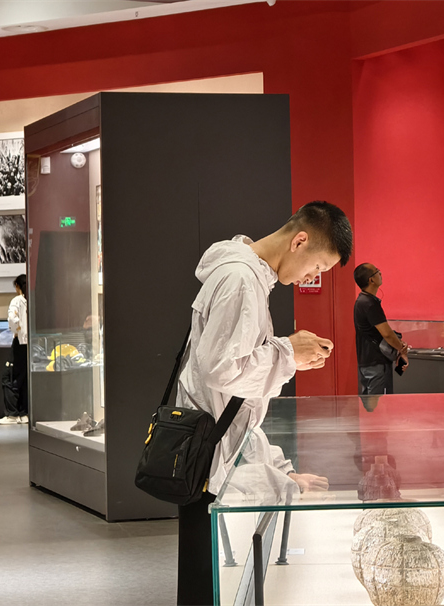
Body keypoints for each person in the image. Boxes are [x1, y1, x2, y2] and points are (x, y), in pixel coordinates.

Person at [174, 201, 352, 606]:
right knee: (204, 582)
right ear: (300, 241)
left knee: (204, 576)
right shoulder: (241, 280)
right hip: (206, 457)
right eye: (318, 267)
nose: (312, 276)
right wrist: (288, 352)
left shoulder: (248, 277)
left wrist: (280, 472)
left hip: (210, 451)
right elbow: (222, 371)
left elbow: (235, 399)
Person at [352, 263, 409, 396]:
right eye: (377, 271)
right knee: (379, 404)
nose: (381, 273)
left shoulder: (361, 301)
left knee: (369, 402)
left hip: (365, 361)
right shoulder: (370, 304)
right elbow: (387, 334)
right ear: (371, 280)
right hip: (376, 362)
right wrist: (401, 349)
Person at [0, 274, 29, 425]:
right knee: (24, 377)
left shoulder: (17, 301)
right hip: (31, 343)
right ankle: (24, 412)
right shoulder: (32, 299)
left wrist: (16, 331)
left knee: (10, 377)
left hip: (19, 342)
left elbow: (12, 319)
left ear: (17, 286)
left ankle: (12, 414)